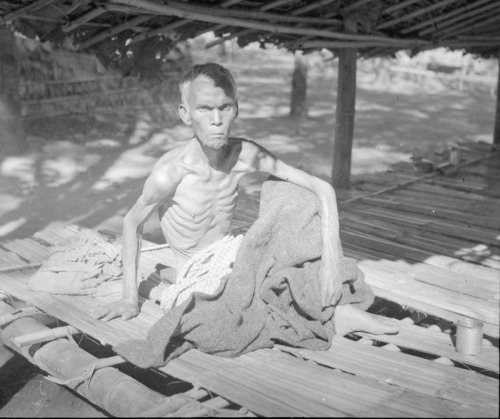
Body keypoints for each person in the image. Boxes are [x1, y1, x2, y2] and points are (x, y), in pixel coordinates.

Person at [92, 63, 399, 336]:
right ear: (185, 114)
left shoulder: (243, 154)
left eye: (224, 107)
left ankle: (330, 306)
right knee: (238, 309)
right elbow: (131, 222)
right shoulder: (170, 173)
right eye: (203, 109)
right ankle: (334, 315)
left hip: (235, 250)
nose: (216, 120)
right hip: (197, 270)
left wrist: (331, 264)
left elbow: (322, 188)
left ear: (236, 108)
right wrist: (129, 298)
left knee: (293, 193)